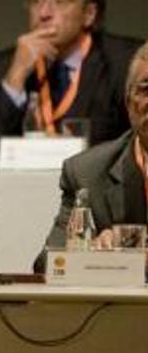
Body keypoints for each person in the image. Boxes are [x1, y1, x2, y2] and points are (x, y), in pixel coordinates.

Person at [0, 0, 142, 167]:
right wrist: (16, 78)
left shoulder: (125, 63)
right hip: (25, 193)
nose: (44, 13)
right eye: (36, 0)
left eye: (60, 1)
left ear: (89, 13)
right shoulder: (3, 66)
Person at [34, 41, 148, 272]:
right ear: (129, 104)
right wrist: (88, 253)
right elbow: (47, 265)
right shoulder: (87, 172)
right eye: (146, 89)